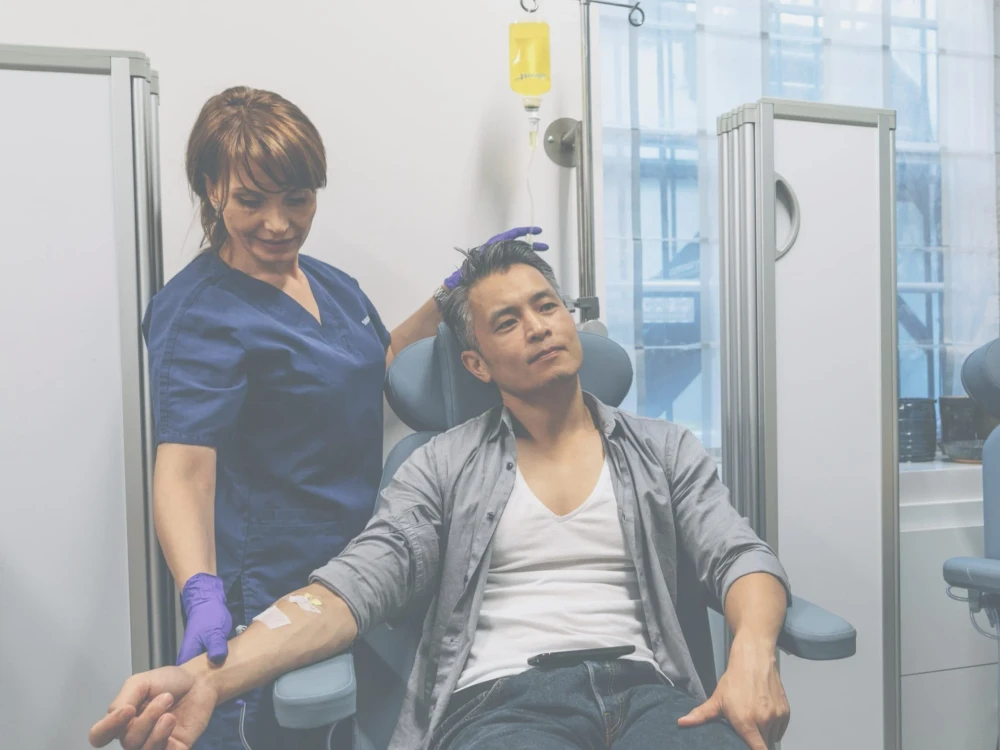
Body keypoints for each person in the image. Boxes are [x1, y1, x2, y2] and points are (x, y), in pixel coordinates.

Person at [91, 241, 791, 750]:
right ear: (475, 363)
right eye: (507, 320)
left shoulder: (664, 450)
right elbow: (350, 590)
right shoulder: (442, 468)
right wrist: (210, 678)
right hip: (505, 706)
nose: (538, 325)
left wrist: (752, 653)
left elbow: (739, 557)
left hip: (651, 696)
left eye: (546, 306)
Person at [141, 85, 548, 749]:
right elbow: (184, 469)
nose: (278, 223)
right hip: (265, 580)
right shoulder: (198, 313)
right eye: (251, 200)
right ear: (212, 189)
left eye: (297, 199)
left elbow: (371, 362)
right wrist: (201, 590)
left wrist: (455, 293)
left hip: (358, 566)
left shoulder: (329, 283)